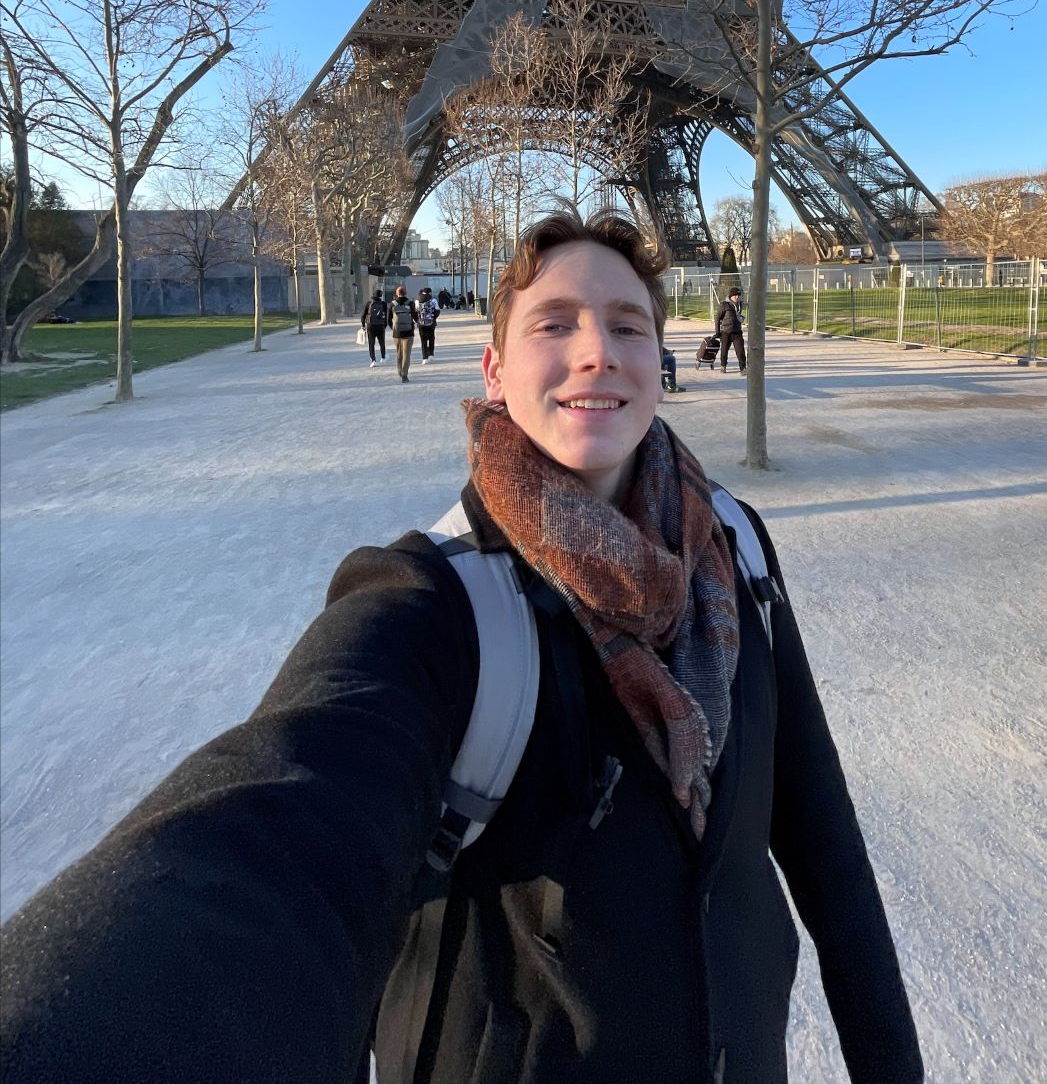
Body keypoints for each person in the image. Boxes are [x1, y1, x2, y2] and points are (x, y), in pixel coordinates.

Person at [0, 213, 924, 1084]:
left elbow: (821, 831)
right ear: (492, 370)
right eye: (554, 323)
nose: (597, 349)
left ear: (659, 355)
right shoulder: (430, 599)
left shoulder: (736, 545)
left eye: (628, 325)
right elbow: (281, 822)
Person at [715, 284, 747, 373]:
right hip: (726, 331)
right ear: (731, 296)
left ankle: (743, 367)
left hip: (737, 331)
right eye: (735, 295)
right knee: (724, 350)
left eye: (739, 295)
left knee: (740, 351)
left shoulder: (740, 305)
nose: (737, 297)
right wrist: (718, 332)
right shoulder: (725, 305)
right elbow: (717, 318)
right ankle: (723, 365)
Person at [389, 286, 416, 382]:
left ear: (397, 293)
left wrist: (393, 328)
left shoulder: (392, 304)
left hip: (397, 333)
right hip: (408, 332)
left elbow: (388, 319)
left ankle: (399, 371)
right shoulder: (410, 303)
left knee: (398, 353)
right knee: (407, 354)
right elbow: (415, 316)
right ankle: (405, 375)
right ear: (405, 293)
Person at [361, 287, 388, 367]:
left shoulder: (369, 303)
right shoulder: (383, 304)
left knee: (371, 343)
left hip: (370, 326)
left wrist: (363, 325)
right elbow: (385, 315)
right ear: (380, 295)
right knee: (382, 343)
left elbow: (364, 315)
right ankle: (383, 357)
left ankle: (373, 360)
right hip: (380, 326)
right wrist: (384, 325)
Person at [416, 285, 441, 361]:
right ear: (429, 292)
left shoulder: (417, 300)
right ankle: (431, 355)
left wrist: (418, 320)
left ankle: (424, 358)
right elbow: (437, 311)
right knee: (431, 338)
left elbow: (415, 311)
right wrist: (433, 318)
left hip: (421, 323)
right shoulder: (433, 300)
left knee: (423, 340)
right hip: (431, 323)